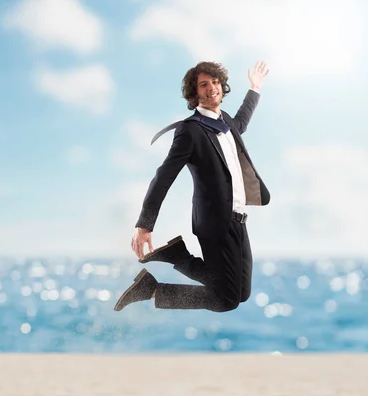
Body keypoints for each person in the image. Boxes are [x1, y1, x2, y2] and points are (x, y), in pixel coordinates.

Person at [114, 60, 271, 312]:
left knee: (241, 293)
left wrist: (255, 88)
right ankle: (152, 288)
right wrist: (145, 223)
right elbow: (163, 176)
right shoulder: (190, 131)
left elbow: (242, 121)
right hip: (214, 223)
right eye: (204, 84)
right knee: (226, 300)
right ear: (194, 93)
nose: (212, 88)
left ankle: (179, 257)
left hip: (239, 221)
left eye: (216, 82)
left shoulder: (228, 123)